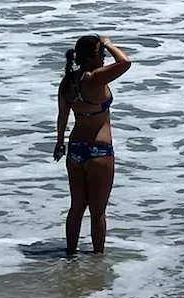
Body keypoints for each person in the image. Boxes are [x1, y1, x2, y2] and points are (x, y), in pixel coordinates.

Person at [54, 33, 131, 255]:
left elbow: (62, 117)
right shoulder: (96, 78)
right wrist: (108, 41)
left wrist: (60, 143)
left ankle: (71, 255)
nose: (105, 57)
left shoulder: (68, 81)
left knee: (76, 208)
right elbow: (125, 62)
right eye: (102, 53)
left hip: (75, 150)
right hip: (99, 151)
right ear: (89, 58)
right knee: (98, 211)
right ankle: (98, 261)